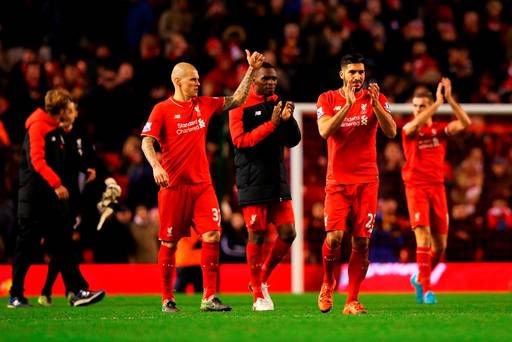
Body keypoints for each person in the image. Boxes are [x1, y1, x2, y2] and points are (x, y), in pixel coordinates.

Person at [141, 50, 264, 313]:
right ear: (178, 81)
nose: (198, 83)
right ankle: (166, 298)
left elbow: (238, 98)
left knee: (212, 234)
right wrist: (156, 166)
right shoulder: (161, 110)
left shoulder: (204, 104)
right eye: (193, 80)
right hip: (173, 187)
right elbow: (146, 142)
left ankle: (209, 297)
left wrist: (251, 70)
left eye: (198, 79)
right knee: (170, 243)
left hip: (202, 186)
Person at [316, 53, 396, 315]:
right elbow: (324, 130)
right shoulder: (327, 99)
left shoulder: (374, 98)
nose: (358, 77)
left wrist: (376, 106)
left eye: (361, 72)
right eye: (352, 72)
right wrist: (348, 106)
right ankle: (328, 282)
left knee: (362, 242)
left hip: (367, 182)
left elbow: (391, 131)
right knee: (335, 238)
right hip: (337, 182)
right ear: (342, 75)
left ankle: (352, 300)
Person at [8, 89, 104, 308]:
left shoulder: (55, 129)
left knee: (63, 242)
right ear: (60, 110)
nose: (70, 111)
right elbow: (37, 161)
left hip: (48, 200)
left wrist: (85, 168)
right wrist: (56, 183)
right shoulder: (38, 127)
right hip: (33, 199)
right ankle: (15, 294)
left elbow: (69, 155)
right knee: (27, 248)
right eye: (67, 107)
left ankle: (78, 290)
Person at [228, 62, 301, 311]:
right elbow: (240, 141)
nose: (270, 83)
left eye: (273, 79)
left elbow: (293, 141)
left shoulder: (277, 101)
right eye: (266, 79)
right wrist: (271, 124)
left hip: (276, 180)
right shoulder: (239, 105)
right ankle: (257, 293)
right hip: (252, 181)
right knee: (256, 236)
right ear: (253, 80)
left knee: (289, 233)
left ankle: (262, 279)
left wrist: (288, 122)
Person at [402, 78, 471, 304]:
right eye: (415, 106)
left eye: (421, 106)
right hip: (416, 188)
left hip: (437, 188)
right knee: (423, 237)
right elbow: (413, 125)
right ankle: (428, 289)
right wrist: (436, 103)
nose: (417, 110)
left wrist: (449, 100)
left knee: (440, 246)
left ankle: (419, 277)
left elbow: (465, 123)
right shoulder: (408, 129)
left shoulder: (439, 130)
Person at [37, 99, 100, 306]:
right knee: (64, 244)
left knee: (64, 246)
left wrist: (87, 169)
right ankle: (75, 289)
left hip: (72, 198)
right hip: (57, 197)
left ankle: (53, 291)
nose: (74, 113)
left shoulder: (75, 134)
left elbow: (78, 159)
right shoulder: (53, 135)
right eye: (71, 110)